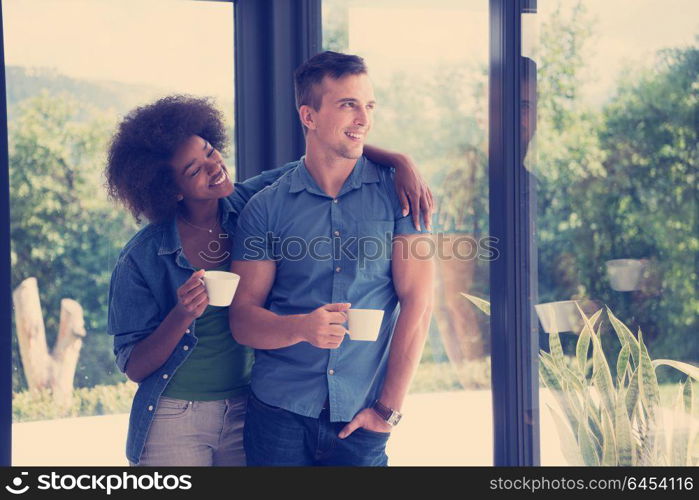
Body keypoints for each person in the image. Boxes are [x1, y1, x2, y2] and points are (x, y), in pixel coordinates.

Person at [105, 94, 434, 466]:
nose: (215, 168)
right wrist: (182, 313)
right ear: (171, 190)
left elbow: (325, 153)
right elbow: (134, 365)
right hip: (176, 414)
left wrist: (399, 161)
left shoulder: (253, 203)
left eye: (211, 151)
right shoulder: (142, 256)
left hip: (248, 408)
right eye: (195, 170)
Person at [229, 51, 435, 466]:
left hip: (363, 419)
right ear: (308, 116)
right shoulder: (266, 208)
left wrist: (387, 410)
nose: (363, 119)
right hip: (278, 417)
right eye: (348, 105)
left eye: (368, 106)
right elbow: (242, 320)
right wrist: (301, 328)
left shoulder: (402, 196)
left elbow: (419, 301)